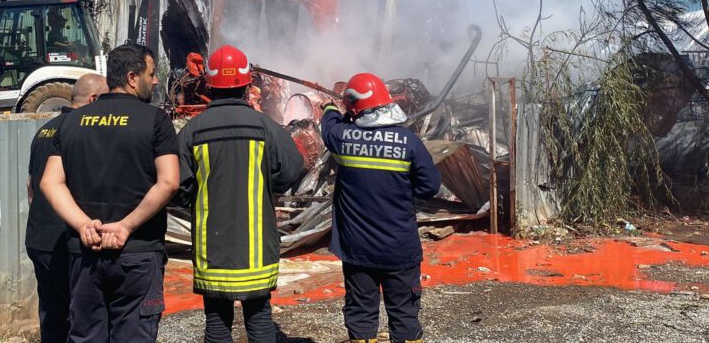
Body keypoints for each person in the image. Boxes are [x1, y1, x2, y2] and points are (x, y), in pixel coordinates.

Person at [40, 43, 180, 343]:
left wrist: (83, 225)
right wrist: (126, 225)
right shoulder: (156, 121)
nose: (155, 81)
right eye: (151, 74)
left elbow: (49, 182)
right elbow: (169, 182)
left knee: (86, 336)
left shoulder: (71, 122)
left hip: (85, 255)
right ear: (132, 77)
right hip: (138, 256)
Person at [176, 45, 304, 343]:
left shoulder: (192, 131)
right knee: (259, 321)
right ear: (248, 85)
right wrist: (265, 185)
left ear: (209, 85)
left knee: (217, 324)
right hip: (257, 248)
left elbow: (177, 186)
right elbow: (291, 169)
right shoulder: (267, 128)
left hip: (212, 249)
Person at [319, 72, 441, 343]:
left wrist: (330, 107)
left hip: (357, 250)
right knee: (405, 315)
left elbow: (327, 126)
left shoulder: (343, 138)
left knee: (361, 316)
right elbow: (430, 186)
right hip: (400, 248)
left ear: (354, 106)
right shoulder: (409, 141)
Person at [26, 73, 109, 343]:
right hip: (67, 239)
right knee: (80, 317)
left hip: (39, 237)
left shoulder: (44, 130)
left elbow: (31, 186)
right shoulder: (82, 130)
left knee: (51, 313)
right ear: (94, 99)